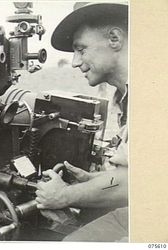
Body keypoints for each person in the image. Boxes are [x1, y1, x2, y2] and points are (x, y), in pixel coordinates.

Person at [35, 2, 129, 242]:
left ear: (114, 39)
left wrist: (64, 195)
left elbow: (131, 185)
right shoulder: (127, 94)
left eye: (81, 49)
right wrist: (93, 181)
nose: (75, 62)